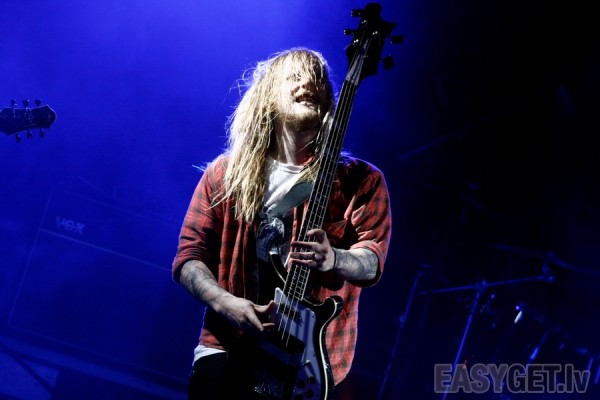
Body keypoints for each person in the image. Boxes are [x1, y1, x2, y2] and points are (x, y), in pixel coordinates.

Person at [172, 47, 392, 399]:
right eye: (295, 77)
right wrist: (226, 303)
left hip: (305, 366)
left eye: (317, 79)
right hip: (226, 348)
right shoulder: (223, 175)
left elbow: (372, 260)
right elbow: (189, 258)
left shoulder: (362, 180)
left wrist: (335, 257)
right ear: (268, 94)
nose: (308, 84)